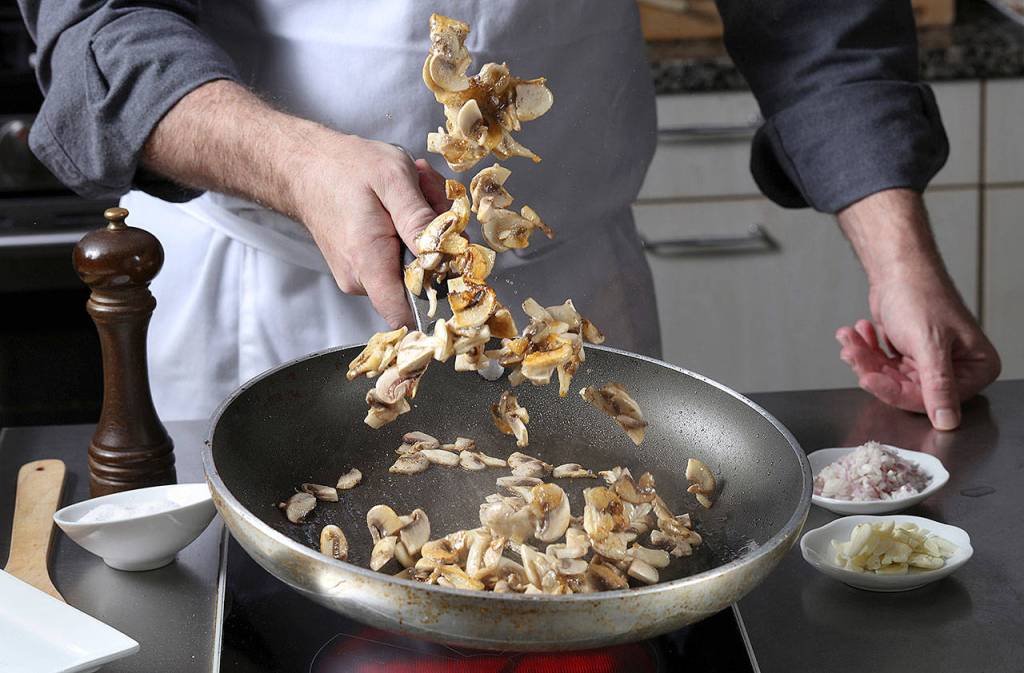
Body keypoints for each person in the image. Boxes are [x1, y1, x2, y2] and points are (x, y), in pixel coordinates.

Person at [18, 0, 1000, 430]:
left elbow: (815, 21)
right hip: (268, 296)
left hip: (572, 310)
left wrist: (900, 262)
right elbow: (100, 29)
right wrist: (296, 160)